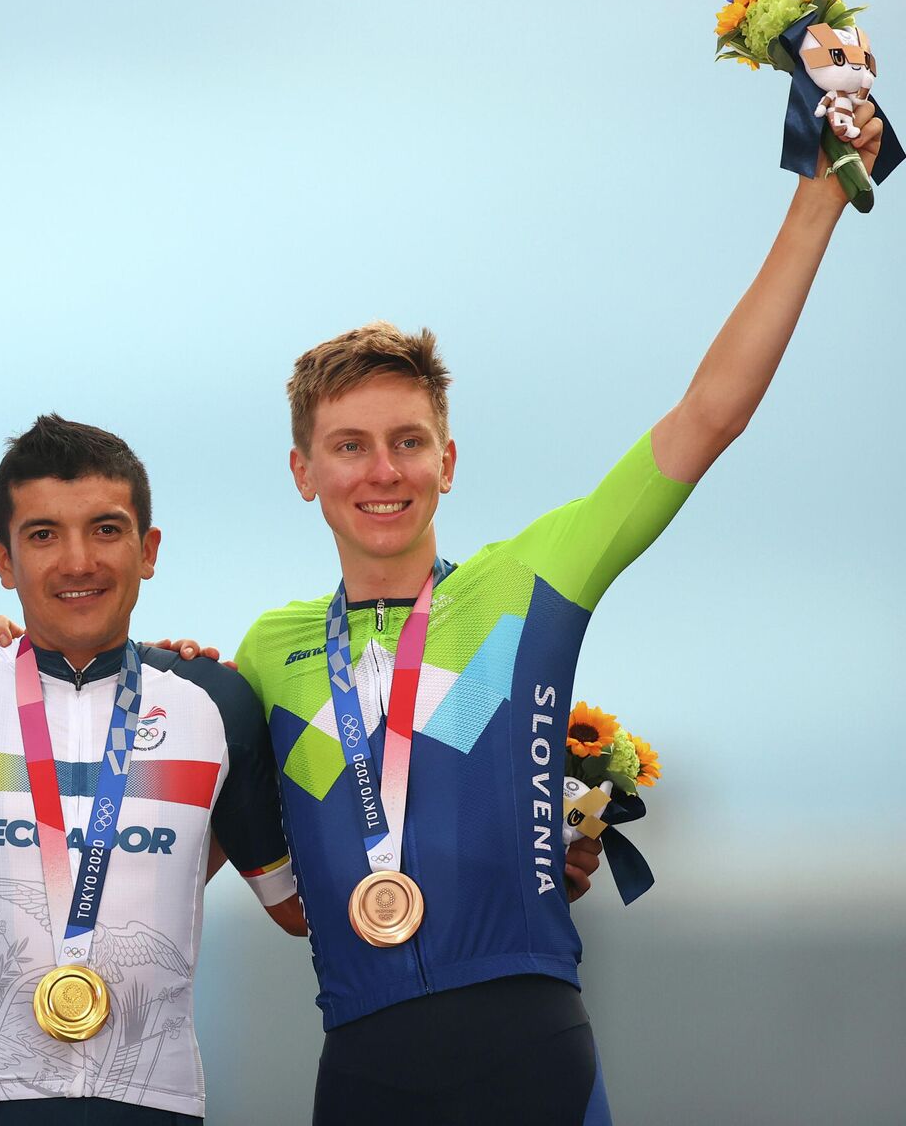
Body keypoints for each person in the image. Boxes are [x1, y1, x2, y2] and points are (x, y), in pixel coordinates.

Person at [222, 106, 888, 1125]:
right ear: (303, 471)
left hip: (526, 1049)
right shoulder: (267, 655)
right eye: (349, 445)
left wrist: (820, 196)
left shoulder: (530, 579)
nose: (383, 469)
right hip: (359, 1061)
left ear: (448, 460)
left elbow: (708, 414)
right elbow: (222, 840)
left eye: (408, 440)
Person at [0, 416, 306, 1123]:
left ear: (148, 549)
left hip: (156, 1100)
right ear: (4, 561)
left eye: (106, 529)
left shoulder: (214, 703)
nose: (79, 560)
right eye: (44, 534)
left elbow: (294, 909)